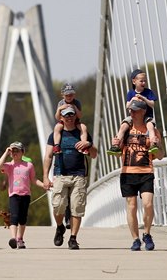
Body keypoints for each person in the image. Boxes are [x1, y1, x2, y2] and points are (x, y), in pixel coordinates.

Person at [43, 107, 98, 250]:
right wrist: (45, 177)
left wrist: (89, 144)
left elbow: (94, 154)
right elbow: (48, 156)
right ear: (61, 117)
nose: (69, 118)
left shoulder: (81, 132)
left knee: (77, 208)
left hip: (79, 175)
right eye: (66, 116)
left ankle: (73, 238)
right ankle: (60, 227)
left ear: (75, 116)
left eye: (71, 115)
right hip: (60, 174)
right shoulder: (56, 134)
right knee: (58, 206)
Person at [117, 100, 164, 251]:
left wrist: (155, 146)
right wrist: (116, 143)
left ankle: (147, 234)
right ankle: (135, 239)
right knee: (131, 207)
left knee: (148, 204)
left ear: (143, 111)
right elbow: (116, 151)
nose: (132, 112)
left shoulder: (152, 131)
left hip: (146, 172)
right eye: (131, 110)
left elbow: (161, 155)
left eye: (135, 110)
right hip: (128, 173)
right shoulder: (125, 129)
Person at [0, 141, 46, 249]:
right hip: (14, 195)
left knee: (23, 219)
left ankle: (20, 239)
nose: (14, 153)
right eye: (12, 151)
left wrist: (44, 185)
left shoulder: (29, 165)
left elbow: (34, 179)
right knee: (14, 217)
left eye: (17, 151)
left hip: (26, 195)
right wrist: (6, 152)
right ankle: (13, 239)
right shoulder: (9, 166)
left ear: (22, 152)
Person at [107, 69, 159, 156]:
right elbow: (127, 106)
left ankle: (153, 144)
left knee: (150, 126)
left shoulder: (148, 92)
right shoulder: (130, 93)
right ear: (134, 81)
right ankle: (116, 145)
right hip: (133, 116)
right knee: (123, 126)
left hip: (147, 116)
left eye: (145, 81)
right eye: (141, 81)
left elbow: (152, 104)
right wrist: (132, 100)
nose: (143, 83)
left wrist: (144, 99)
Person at [52, 83, 89, 155]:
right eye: (67, 95)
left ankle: (83, 146)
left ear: (74, 95)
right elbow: (57, 117)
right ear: (62, 95)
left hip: (75, 120)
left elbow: (79, 116)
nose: (69, 97)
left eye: (71, 95)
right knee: (57, 127)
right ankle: (56, 146)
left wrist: (75, 107)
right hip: (64, 121)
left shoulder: (77, 102)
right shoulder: (61, 103)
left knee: (83, 127)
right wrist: (59, 109)